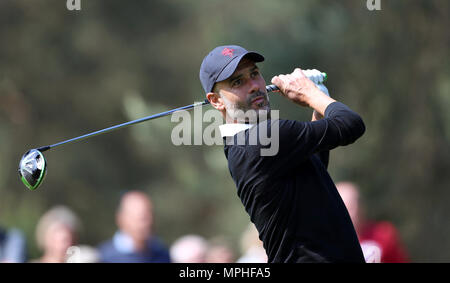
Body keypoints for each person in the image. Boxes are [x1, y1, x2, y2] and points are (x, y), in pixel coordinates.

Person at [200, 45, 366, 262]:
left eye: (254, 73)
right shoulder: (263, 137)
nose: (254, 86)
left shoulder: (246, 144)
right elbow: (351, 124)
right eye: (237, 82)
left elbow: (314, 166)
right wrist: (310, 94)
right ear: (215, 100)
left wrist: (318, 104)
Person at [336, 181, 410, 263]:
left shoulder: (384, 235)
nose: (352, 212)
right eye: (346, 207)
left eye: (353, 206)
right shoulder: (331, 242)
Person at [98, 191, 171, 263]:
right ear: (120, 219)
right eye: (141, 218)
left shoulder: (162, 253)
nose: (147, 223)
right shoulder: (104, 257)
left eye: (149, 216)